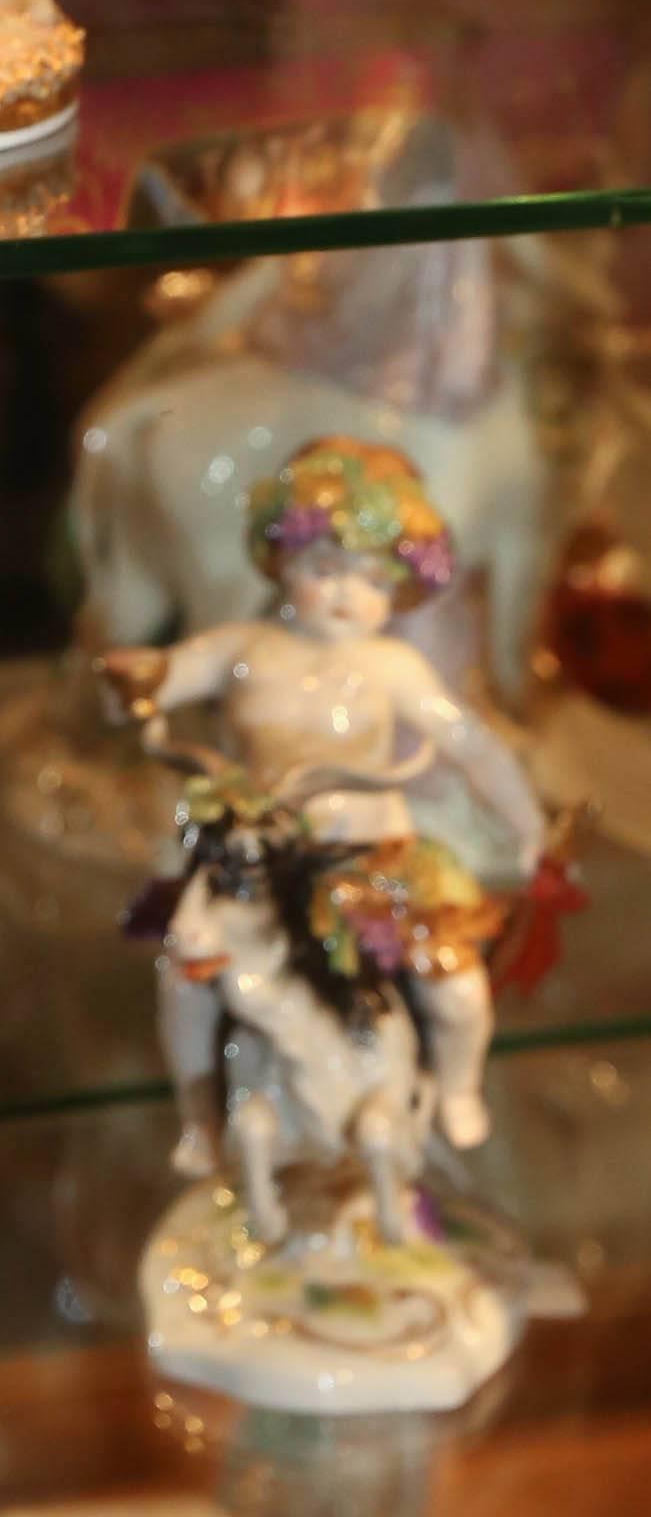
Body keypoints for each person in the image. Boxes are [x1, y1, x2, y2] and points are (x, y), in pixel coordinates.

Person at [105, 435, 547, 1152]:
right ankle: (196, 1117)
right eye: (324, 568)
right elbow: (164, 674)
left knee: (456, 987)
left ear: (400, 587)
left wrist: (525, 822)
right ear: (282, 562)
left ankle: (461, 1089)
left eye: (372, 580)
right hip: (259, 865)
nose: (346, 594)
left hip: (373, 862)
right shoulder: (243, 650)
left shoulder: (392, 665)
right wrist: (136, 676)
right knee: (184, 981)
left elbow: (468, 742)